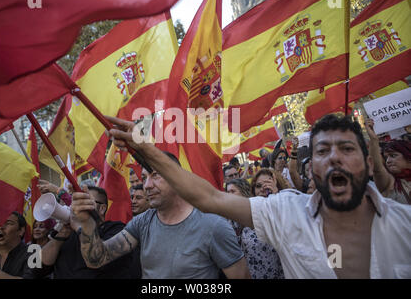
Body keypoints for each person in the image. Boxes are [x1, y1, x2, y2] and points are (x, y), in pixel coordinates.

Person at [105, 114, 411, 278]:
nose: (334, 158)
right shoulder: (285, 212)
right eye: (322, 151)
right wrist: (146, 149)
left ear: (370, 163)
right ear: (311, 166)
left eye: (346, 149)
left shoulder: (405, 227)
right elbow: (210, 198)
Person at [72, 151, 250, 279]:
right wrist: (87, 223)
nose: (147, 185)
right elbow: (96, 259)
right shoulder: (142, 222)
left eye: (155, 175)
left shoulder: (213, 226)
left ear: (177, 178)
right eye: (144, 178)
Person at [35, 185, 133, 279]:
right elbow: (37, 267)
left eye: (86, 202)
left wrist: (80, 227)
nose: (78, 208)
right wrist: (62, 233)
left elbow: (100, 259)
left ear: (102, 209)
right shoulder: (67, 233)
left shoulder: (116, 228)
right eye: (76, 203)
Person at [226, 178, 284, 279]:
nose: (229, 195)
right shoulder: (230, 220)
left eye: (233, 191)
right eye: (227, 192)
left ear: (243, 192)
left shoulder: (261, 211)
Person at [365, 118, 410, 205]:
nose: (388, 161)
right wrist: (373, 139)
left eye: (393, 156)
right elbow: (377, 169)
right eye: (386, 157)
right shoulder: (389, 182)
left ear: (408, 156)